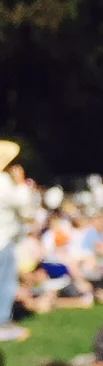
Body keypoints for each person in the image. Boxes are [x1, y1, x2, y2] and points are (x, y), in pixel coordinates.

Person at [0, 141, 33, 341]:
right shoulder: (3, 181)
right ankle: (2, 322)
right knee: (5, 282)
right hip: (3, 239)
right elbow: (22, 204)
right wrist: (20, 183)